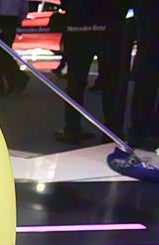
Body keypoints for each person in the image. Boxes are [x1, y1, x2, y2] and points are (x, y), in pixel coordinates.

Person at [54, 0, 129, 145]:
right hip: (110, 24)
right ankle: (112, 130)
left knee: (76, 81)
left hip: (79, 24)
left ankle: (72, 127)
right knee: (111, 82)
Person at [128, 0, 159, 150]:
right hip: (149, 39)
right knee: (145, 88)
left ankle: (140, 132)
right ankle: (140, 132)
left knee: (145, 88)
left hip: (148, 38)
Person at [0, 0, 29, 96]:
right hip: (13, 20)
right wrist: (19, 20)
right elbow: (24, 7)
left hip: (0, 20)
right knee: (4, 51)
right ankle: (1, 84)